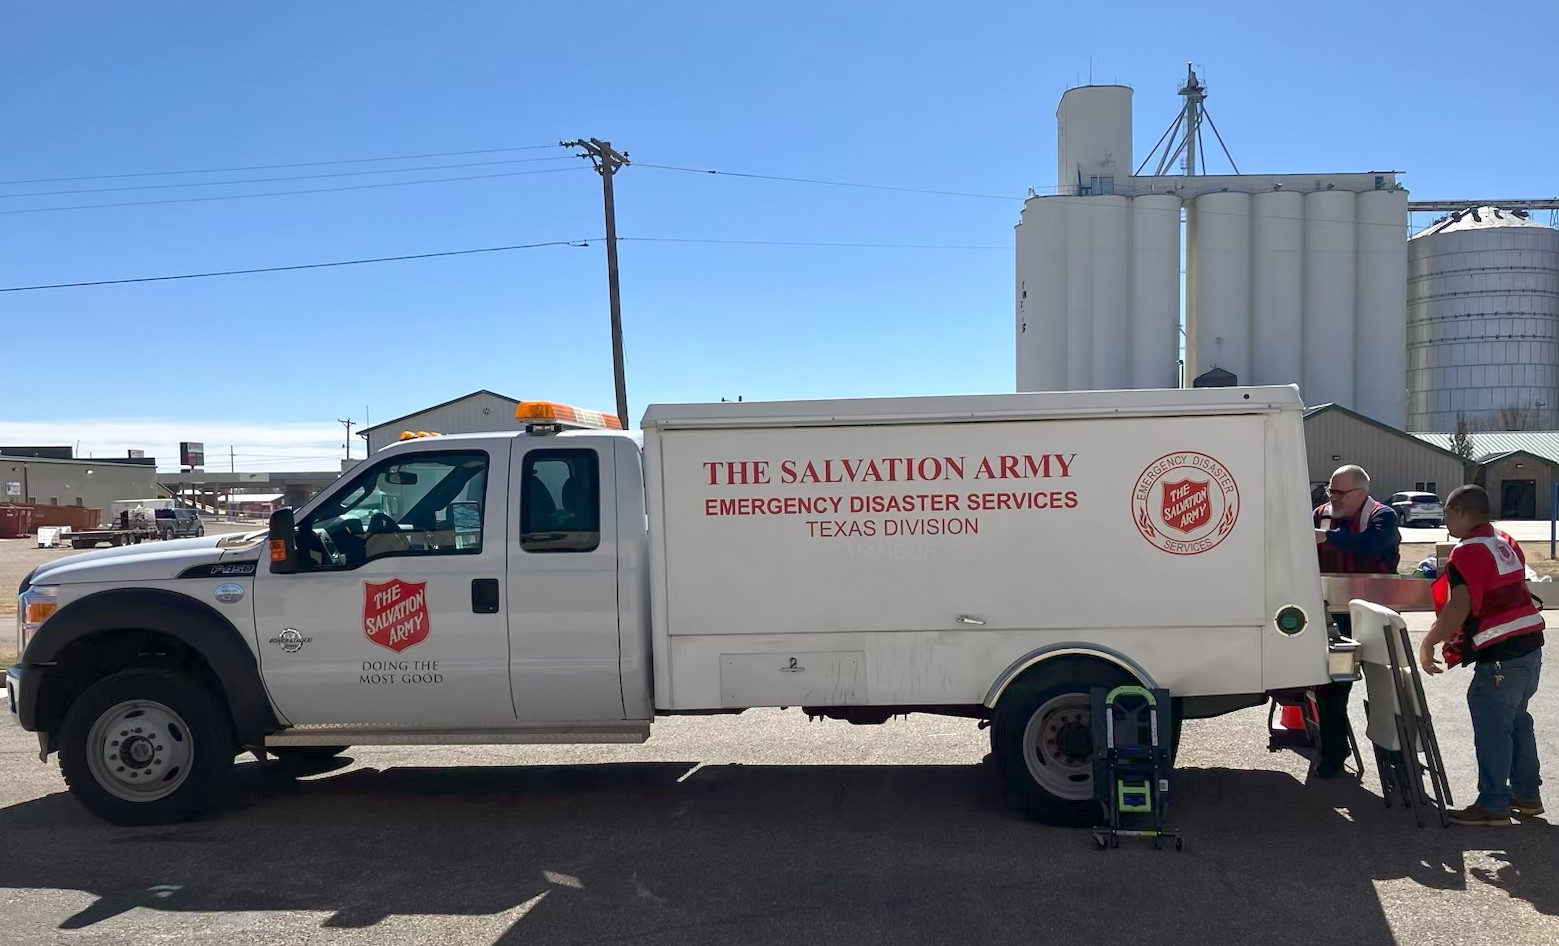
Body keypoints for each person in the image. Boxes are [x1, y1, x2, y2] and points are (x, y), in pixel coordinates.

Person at [1419, 484, 1545, 826]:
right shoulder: (1504, 539)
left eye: (1447, 514)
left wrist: (1428, 642)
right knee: (1517, 721)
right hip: (1530, 646)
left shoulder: (1467, 552)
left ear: (1461, 513)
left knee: (1492, 727)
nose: (1445, 521)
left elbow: (1460, 604)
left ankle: (1493, 804)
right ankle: (1527, 795)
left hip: (1502, 655)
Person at [1312, 464, 1401, 778]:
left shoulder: (1383, 516)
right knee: (1333, 685)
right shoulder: (1320, 514)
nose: (1332, 498)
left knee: (1386, 684)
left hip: (1375, 617)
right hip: (1335, 618)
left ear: (1361, 493)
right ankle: (1334, 753)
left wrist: (1327, 538)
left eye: (1340, 492)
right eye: (1330, 491)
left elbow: (1375, 545)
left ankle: (1396, 756)